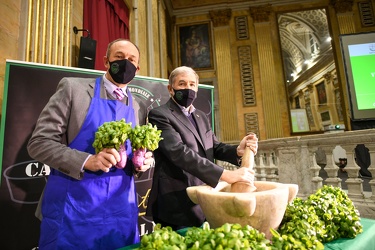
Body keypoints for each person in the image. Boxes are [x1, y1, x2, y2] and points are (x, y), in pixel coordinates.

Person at [27, 38, 154, 249]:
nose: (126, 63)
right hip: (73, 210)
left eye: (132, 60)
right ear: (106, 61)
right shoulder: (73, 89)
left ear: (138, 68)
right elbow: (39, 142)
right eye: (119, 57)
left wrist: (141, 162)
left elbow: (132, 154)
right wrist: (87, 160)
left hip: (120, 213)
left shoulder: (138, 106)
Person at [146, 66, 258, 230]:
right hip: (176, 200)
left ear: (197, 89)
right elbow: (178, 152)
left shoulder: (201, 116)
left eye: (192, 84)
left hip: (205, 197)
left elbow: (214, 146)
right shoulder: (160, 114)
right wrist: (226, 175)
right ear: (171, 89)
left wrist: (237, 151)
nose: (188, 88)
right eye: (182, 84)